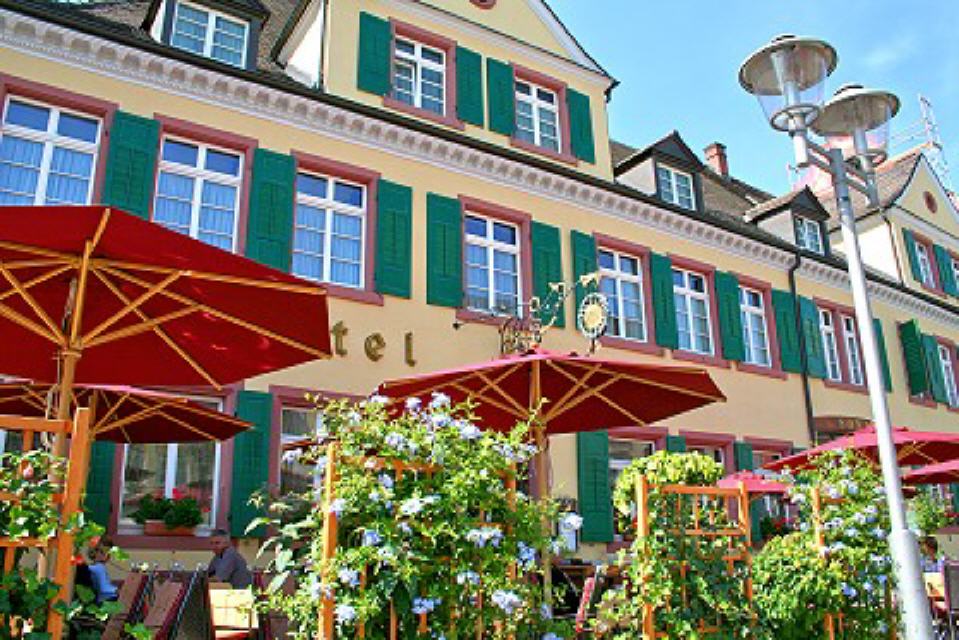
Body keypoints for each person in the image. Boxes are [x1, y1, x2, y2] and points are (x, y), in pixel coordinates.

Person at [87, 537, 119, 604]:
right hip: (103, 602)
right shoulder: (99, 568)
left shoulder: (93, 567)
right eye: (102, 552)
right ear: (94, 552)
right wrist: (116, 590)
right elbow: (104, 588)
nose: (106, 555)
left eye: (108, 553)